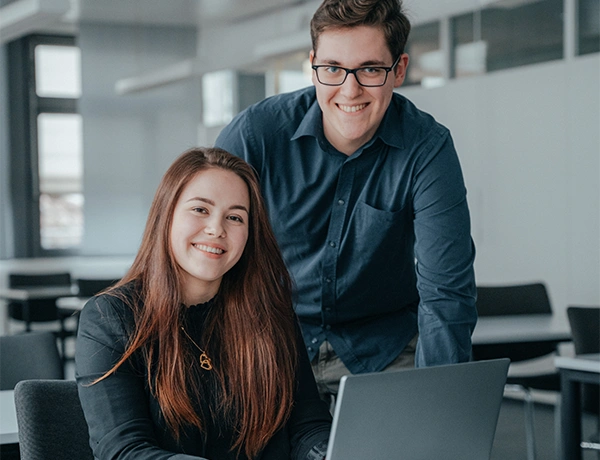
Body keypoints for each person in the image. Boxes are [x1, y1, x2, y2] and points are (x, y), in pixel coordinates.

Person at [215, 0, 478, 402]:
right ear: (313, 65)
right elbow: (204, 252)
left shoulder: (427, 148)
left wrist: (437, 405)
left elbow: (446, 294)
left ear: (399, 70)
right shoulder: (256, 135)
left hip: (382, 352)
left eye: (370, 69)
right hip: (271, 350)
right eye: (333, 69)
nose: (349, 89)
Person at [75, 147, 332, 460]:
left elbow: (308, 426)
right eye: (200, 210)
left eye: (235, 217)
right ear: (166, 215)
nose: (216, 229)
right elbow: (124, 451)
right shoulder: (111, 318)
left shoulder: (270, 314)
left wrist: (330, 453)